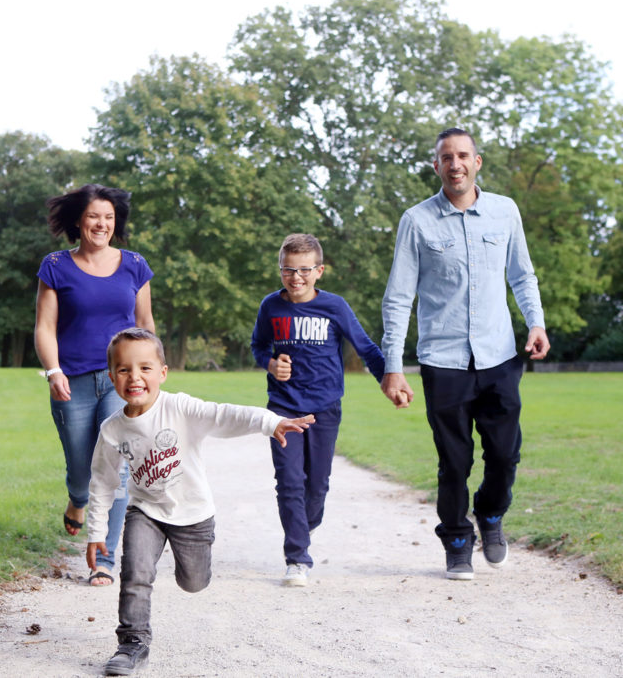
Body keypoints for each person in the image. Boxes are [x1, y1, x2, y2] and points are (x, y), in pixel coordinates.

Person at [86, 327, 314, 676]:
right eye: (123, 369)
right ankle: (132, 643)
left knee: (193, 582)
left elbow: (226, 414)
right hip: (144, 511)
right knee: (135, 573)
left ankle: (194, 564)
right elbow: (102, 481)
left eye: (145, 368)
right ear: (112, 375)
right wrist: (97, 531)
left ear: (162, 372)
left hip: (193, 515)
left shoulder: (179, 408)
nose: (135, 377)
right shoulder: (112, 429)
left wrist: (272, 422)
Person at [380, 127, 550, 581]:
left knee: (504, 454)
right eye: (445, 157)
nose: (454, 164)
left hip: (499, 358)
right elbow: (399, 298)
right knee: (454, 461)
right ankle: (457, 540)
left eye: (462, 156)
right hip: (444, 361)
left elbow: (523, 276)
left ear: (477, 162)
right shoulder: (417, 221)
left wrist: (536, 323)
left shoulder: (505, 212)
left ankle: (491, 515)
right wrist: (393, 367)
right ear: (436, 166)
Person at [34, 183, 155, 586]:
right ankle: (78, 501)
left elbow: (145, 327)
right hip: (72, 380)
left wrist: (148, 373)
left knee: (117, 468)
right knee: (81, 471)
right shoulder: (55, 265)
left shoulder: (135, 264)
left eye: (108, 217)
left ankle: (105, 557)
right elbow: (45, 327)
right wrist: (53, 371)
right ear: (78, 221)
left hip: (121, 381)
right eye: (93, 216)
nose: (101, 224)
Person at [250, 233, 385, 587]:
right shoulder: (271, 306)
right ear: (280, 270)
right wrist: (269, 364)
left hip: (325, 408)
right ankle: (297, 557)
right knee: (290, 482)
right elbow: (258, 345)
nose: (296, 278)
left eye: (304, 270)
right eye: (288, 270)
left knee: (317, 487)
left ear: (319, 270)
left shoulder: (335, 307)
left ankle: (302, 526)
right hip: (283, 408)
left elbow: (367, 348)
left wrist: (390, 379)